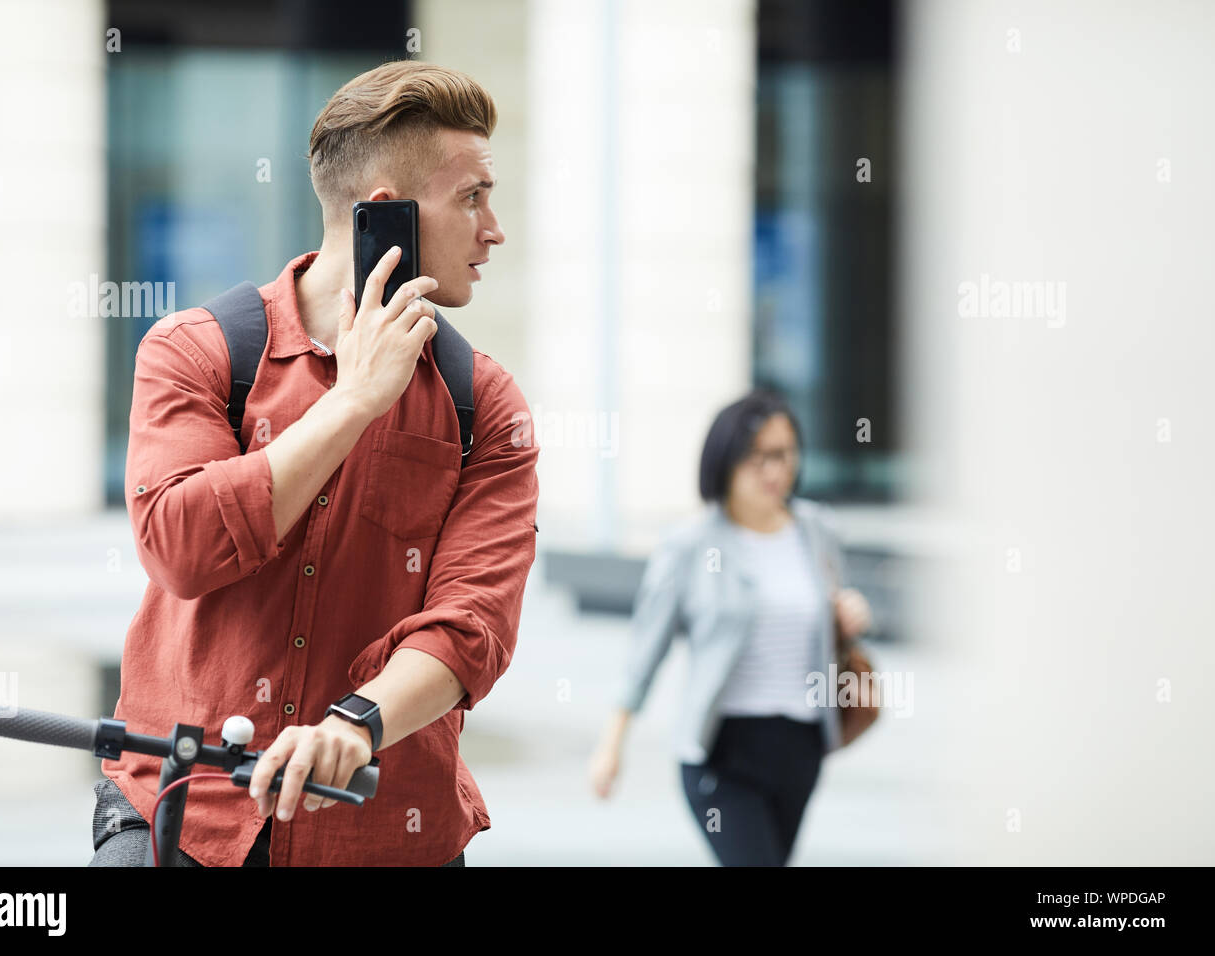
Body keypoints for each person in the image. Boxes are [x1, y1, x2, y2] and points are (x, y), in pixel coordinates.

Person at [89, 60, 539, 866]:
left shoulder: (486, 406)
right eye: (471, 196)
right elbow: (181, 549)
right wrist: (352, 402)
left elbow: (473, 626)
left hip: (383, 830)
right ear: (384, 213)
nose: (494, 227)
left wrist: (354, 724)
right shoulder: (194, 351)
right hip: (184, 817)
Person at [588, 388, 873, 865]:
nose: (774, 470)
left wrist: (849, 614)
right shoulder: (690, 545)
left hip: (801, 748)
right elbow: (646, 651)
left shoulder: (817, 531)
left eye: (784, 454)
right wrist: (611, 746)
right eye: (757, 457)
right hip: (721, 753)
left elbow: (830, 620)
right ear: (724, 461)